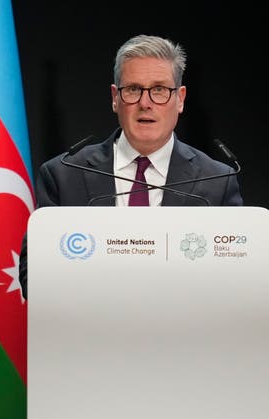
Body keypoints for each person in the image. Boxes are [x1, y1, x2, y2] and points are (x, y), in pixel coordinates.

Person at [20, 34, 243, 294]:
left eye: (159, 89)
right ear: (115, 98)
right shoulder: (64, 175)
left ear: (180, 99)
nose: (145, 103)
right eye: (133, 89)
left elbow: (236, 277)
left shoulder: (216, 181)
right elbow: (31, 275)